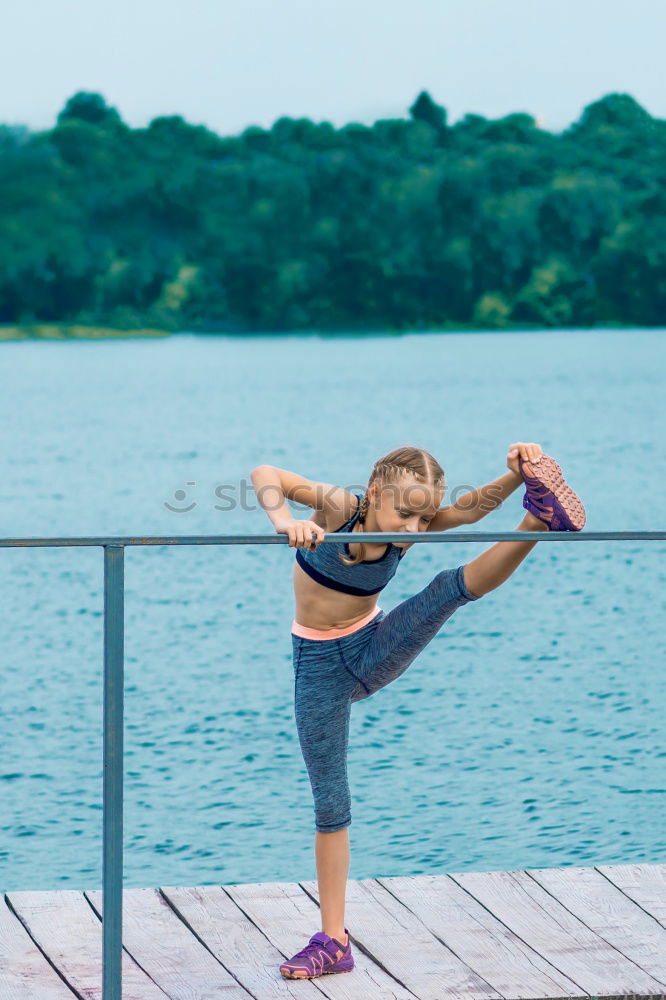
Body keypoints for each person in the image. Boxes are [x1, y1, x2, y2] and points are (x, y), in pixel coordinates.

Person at [250, 443, 585, 980]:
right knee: (330, 805)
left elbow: (469, 510)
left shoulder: (414, 525)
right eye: (403, 512)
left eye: (423, 515)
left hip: (372, 645)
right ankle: (333, 941)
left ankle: (538, 517)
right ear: (377, 493)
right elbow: (266, 472)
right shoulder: (341, 509)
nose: (413, 527)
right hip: (318, 671)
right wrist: (286, 519)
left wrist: (515, 477)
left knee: (445, 589)